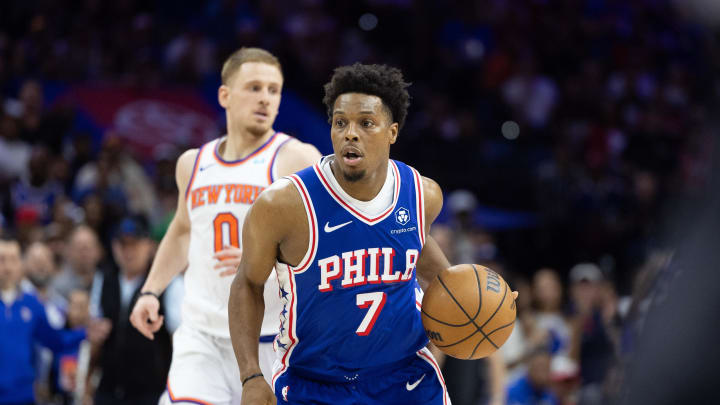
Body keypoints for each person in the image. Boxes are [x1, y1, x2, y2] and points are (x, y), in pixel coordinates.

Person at [229, 63, 517, 405]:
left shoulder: (422, 196)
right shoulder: (284, 206)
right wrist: (250, 375)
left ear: (392, 132)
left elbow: (428, 266)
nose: (350, 133)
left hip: (405, 378)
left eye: (366, 123)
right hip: (314, 383)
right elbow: (247, 283)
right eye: (340, 123)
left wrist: (482, 310)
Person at [129, 47, 321, 405]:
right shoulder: (192, 163)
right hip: (201, 338)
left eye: (273, 90)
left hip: (273, 344)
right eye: (254, 87)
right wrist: (150, 291)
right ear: (225, 95)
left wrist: (266, 256)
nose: (265, 98)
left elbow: (328, 241)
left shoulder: (296, 158)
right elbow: (184, 229)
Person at [0, 237, 109, 405]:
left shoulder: (32, 303)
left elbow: (55, 340)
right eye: (2, 259)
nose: (7, 267)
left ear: (20, 265)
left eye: (13, 260)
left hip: (23, 396)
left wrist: (85, 333)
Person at [90, 216, 177, 405]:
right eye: (122, 244)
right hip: (108, 389)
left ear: (149, 246)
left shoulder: (168, 284)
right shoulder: (104, 278)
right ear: (113, 246)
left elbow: (177, 337)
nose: (128, 251)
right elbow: (93, 336)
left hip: (151, 391)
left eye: (134, 244)